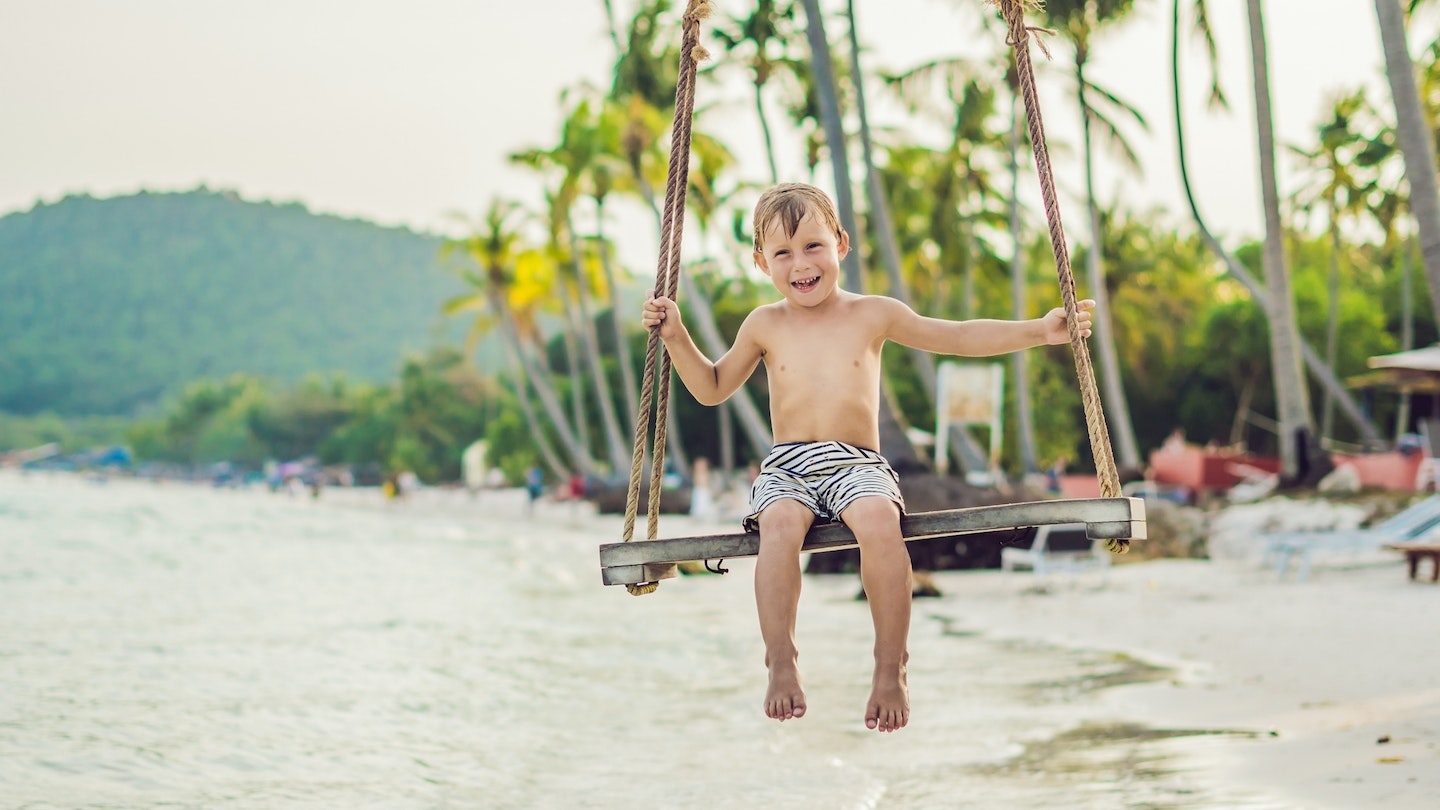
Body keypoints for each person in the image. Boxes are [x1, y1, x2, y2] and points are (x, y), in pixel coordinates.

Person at [641, 182, 1093, 733]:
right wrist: (677, 336)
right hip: (789, 465)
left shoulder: (872, 314)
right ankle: (780, 660)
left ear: (841, 244)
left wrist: (1041, 332)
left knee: (881, 521)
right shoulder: (763, 324)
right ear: (762, 262)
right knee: (779, 525)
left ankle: (889, 668)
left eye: (813, 246)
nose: (801, 264)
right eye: (782, 253)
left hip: (858, 462)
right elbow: (711, 388)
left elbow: (955, 336)